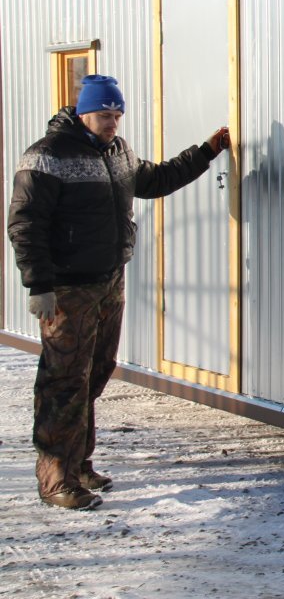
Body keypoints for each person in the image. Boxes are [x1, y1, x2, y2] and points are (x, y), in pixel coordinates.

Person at [7, 74, 230, 511]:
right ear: (83, 112)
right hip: (67, 288)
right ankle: (56, 479)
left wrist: (206, 151)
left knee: (95, 372)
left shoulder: (118, 152)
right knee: (64, 381)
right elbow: (25, 225)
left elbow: (156, 180)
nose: (113, 123)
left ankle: (79, 464)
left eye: (117, 115)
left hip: (109, 279)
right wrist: (39, 286)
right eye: (105, 115)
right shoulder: (47, 156)